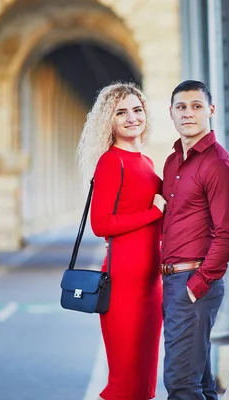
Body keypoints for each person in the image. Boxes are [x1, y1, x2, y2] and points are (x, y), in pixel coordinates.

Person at [77, 82, 167, 400]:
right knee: (124, 383)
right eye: (121, 112)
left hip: (151, 284)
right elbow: (101, 225)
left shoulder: (145, 162)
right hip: (123, 284)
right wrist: (153, 213)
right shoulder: (110, 162)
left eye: (137, 110)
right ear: (109, 121)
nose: (132, 118)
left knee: (145, 384)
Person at [161, 80, 229, 399]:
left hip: (193, 283)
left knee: (180, 383)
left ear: (210, 110)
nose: (188, 113)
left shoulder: (218, 164)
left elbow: (228, 235)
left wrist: (199, 284)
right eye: (181, 107)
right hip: (172, 281)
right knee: (201, 385)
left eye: (196, 106)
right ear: (171, 113)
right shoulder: (171, 163)